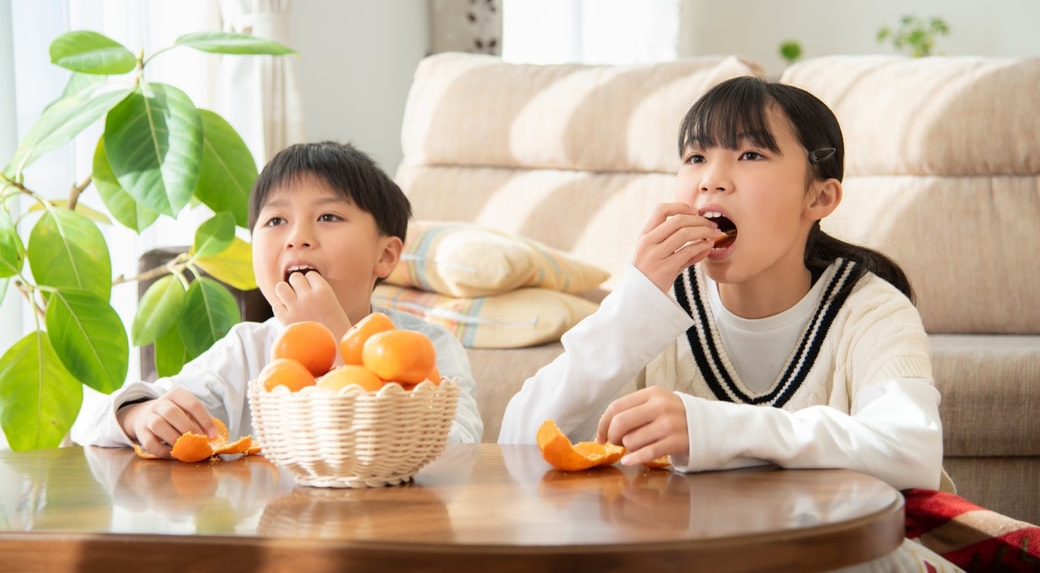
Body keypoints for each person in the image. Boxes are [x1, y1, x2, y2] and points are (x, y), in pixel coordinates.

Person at [498, 76, 960, 571]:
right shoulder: (653, 310)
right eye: (696, 157)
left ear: (820, 199)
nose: (710, 179)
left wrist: (712, 428)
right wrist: (631, 306)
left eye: (750, 155)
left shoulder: (871, 309)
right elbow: (520, 442)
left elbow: (912, 454)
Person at [78, 141, 483, 457]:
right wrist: (140, 415)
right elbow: (95, 424)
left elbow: (459, 447)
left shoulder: (426, 349)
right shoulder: (248, 351)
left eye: (328, 217)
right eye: (275, 221)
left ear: (385, 255)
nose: (297, 237)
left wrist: (340, 343)